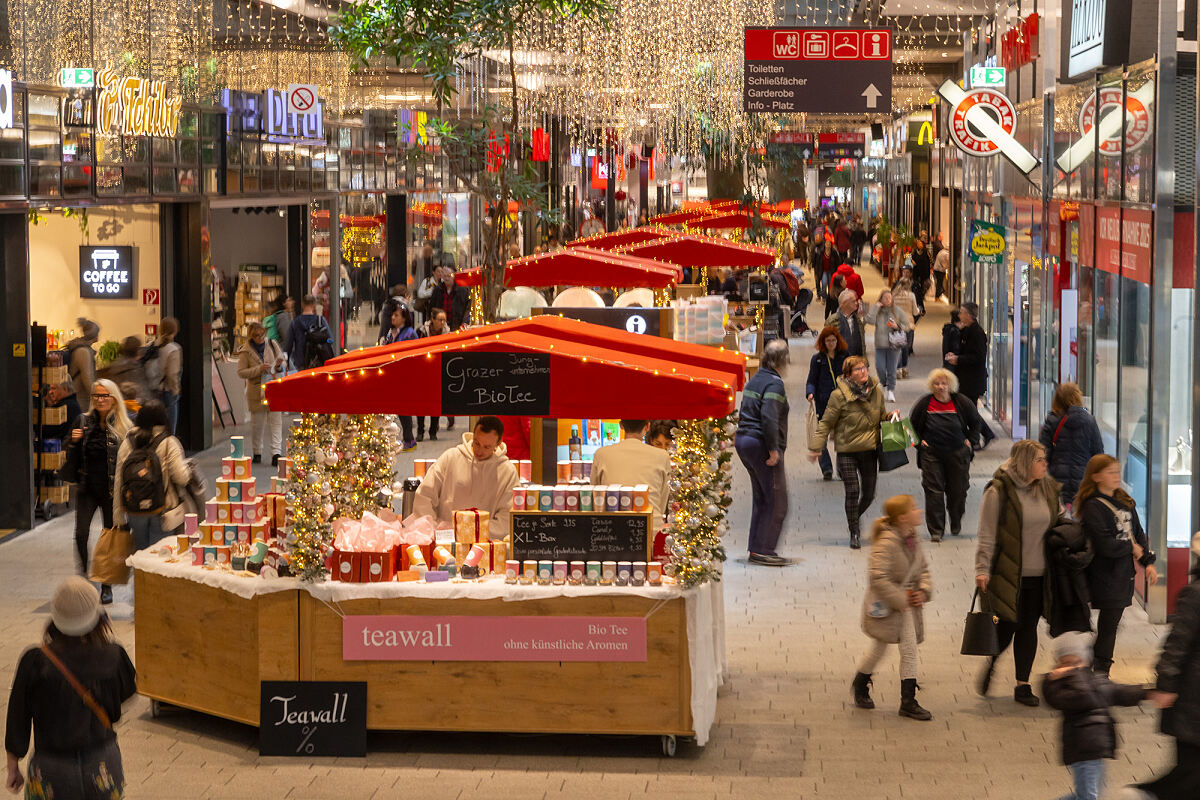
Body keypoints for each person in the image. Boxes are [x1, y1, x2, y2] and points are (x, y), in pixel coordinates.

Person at [4, 577, 137, 800]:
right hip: (102, 762)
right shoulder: (114, 655)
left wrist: (12, 766)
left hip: (51, 768)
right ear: (96, 616)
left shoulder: (35, 661)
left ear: (55, 617)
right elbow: (126, 693)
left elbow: (18, 717)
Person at [975, 439, 1064, 706]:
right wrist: (982, 568)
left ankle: (1022, 685)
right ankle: (992, 660)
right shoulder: (998, 491)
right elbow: (986, 533)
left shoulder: (1047, 487)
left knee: (1028, 627)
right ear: (1025, 462)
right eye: (1039, 460)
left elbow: (1059, 518)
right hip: (1008, 573)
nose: (1045, 464)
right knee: (1007, 627)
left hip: (1040, 575)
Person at [1120, 532, 1200, 800]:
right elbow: (1177, 644)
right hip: (1194, 699)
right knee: (1191, 773)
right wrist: (1166, 685)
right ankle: (1145, 795)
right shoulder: (1195, 594)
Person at [851, 494, 933, 720]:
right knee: (881, 648)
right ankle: (864, 685)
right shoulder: (886, 543)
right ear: (903, 517)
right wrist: (901, 599)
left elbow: (923, 569)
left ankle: (905, 700)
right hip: (890, 606)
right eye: (914, 508)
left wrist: (923, 591)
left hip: (906, 606)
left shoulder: (912, 537)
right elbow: (877, 578)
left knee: (905, 649)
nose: (919, 512)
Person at [1076, 454, 1158, 677]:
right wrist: (1130, 549)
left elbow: (1137, 535)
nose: (1116, 476)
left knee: (1111, 624)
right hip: (1104, 575)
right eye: (1110, 472)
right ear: (1096, 477)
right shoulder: (1093, 507)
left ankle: (1093, 665)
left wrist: (1147, 563)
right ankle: (1101, 673)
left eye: (1117, 472)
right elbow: (1105, 545)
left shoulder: (1125, 501)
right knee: (1109, 625)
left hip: (1124, 576)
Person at [1042, 632, 1150, 800]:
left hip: (1096, 749)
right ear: (1059, 664)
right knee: (1089, 796)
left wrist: (1146, 693)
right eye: (1067, 663)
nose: (1073, 668)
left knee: (1090, 794)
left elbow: (1119, 692)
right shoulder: (1057, 686)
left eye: (1077, 662)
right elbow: (1082, 696)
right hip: (1081, 749)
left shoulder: (1094, 680)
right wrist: (1072, 674)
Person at [61, 379, 131, 607]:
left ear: (114, 398)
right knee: (80, 534)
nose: (100, 400)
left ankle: (106, 585)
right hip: (87, 489)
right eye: (96, 396)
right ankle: (83, 574)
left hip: (111, 491)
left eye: (104, 396)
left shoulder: (124, 426)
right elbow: (67, 445)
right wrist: (73, 440)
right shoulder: (82, 421)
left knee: (109, 539)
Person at [810, 356, 889, 549]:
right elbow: (826, 423)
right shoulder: (838, 396)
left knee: (869, 494)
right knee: (853, 491)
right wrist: (816, 447)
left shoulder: (876, 392)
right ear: (848, 375)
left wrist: (890, 417)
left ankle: (853, 515)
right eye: (857, 369)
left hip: (870, 450)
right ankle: (854, 531)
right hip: (847, 451)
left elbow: (881, 416)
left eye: (864, 368)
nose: (863, 371)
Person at [412, 416, 519, 537]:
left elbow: (506, 518)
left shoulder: (507, 472)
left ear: (498, 443)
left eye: (486, 447)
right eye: (477, 443)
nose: (479, 450)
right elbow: (425, 496)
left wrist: (469, 532)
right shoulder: (451, 457)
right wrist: (432, 529)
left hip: (485, 545)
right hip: (445, 540)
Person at [734, 340, 792, 565]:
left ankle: (756, 548)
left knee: (761, 497)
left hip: (744, 441)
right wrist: (773, 448)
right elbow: (769, 416)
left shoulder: (756, 379)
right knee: (777, 500)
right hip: (760, 443)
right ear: (783, 360)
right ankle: (764, 550)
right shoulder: (774, 384)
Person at [909, 368, 980, 541]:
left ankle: (956, 518)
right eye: (937, 383)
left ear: (950, 385)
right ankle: (936, 530)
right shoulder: (924, 404)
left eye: (944, 383)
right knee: (933, 491)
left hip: (957, 453)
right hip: (931, 454)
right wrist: (919, 444)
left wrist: (971, 440)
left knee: (958, 491)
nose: (940, 387)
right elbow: (909, 428)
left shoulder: (962, 402)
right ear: (931, 386)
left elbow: (976, 423)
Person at [112, 401, 190, 550]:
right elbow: (182, 477)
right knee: (160, 555)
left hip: (134, 508)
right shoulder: (169, 443)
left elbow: (119, 480)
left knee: (140, 553)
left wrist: (118, 515)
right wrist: (188, 469)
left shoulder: (128, 442)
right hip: (162, 508)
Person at [591, 419, 672, 522]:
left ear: (621, 425)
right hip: (651, 525)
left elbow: (596, 495)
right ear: (647, 426)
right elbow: (662, 500)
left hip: (610, 526)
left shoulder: (601, 454)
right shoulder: (662, 456)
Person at [1040, 382, 1105, 506]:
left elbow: (1043, 453)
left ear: (1057, 399)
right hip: (1083, 481)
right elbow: (1098, 453)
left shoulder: (1052, 420)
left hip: (1056, 479)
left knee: (1059, 516)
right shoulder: (1089, 421)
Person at [237, 322, 287, 464]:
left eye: (262, 334)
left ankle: (276, 453)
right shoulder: (245, 351)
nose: (260, 338)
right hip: (256, 390)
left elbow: (282, 362)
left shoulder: (271, 343)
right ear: (251, 336)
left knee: (276, 422)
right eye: (256, 336)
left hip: (272, 388)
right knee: (257, 424)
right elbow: (241, 372)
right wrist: (258, 369)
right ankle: (257, 451)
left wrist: (277, 365)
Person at [946, 302, 993, 447]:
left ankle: (980, 437)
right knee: (968, 409)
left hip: (972, 380)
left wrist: (958, 359)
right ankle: (983, 435)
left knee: (969, 410)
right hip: (966, 379)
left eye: (961, 312)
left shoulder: (977, 333)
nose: (959, 315)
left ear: (969, 315)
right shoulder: (967, 330)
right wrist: (955, 355)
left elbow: (978, 357)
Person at [805, 326, 849, 480]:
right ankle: (827, 469)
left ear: (838, 341)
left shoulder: (845, 358)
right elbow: (811, 380)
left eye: (833, 340)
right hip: (823, 403)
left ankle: (843, 469)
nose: (831, 343)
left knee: (842, 437)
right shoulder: (817, 359)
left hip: (842, 403)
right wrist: (810, 393)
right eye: (828, 341)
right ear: (823, 342)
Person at [865, 289, 910, 403]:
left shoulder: (897, 311)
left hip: (894, 345)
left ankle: (891, 390)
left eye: (890, 298)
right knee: (880, 367)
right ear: (881, 299)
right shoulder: (878, 311)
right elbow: (869, 320)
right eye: (885, 298)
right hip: (880, 344)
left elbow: (907, 326)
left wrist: (897, 326)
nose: (888, 300)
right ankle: (884, 384)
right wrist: (876, 307)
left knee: (892, 368)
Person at [416, 309, 450, 441]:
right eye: (440, 320)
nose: (442, 323)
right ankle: (420, 431)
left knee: (435, 402)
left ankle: (433, 431)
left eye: (444, 320)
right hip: (423, 370)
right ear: (433, 320)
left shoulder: (447, 333)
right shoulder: (422, 332)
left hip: (438, 370)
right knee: (421, 402)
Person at [146, 318, 182, 435]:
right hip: (167, 392)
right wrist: (175, 390)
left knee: (154, 429)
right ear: (174, 331)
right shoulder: (173, 349)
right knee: (169, 430)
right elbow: (172, 374)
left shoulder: (151, 346)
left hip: (152, 391)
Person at [288, 294, 334, 370]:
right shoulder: (320, 320)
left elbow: (289, 345)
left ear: (302, 304)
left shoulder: (295, 322)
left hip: (300, 362)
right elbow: (330, 339)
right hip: (318, 362)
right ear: (314, 305)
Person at [826, 289, 868, 362]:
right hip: (839, 364)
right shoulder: (833, 321)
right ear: (845, 303)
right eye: (853, 301)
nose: (856, 303)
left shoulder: (857, 321)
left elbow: (862, 344)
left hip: (856, 362)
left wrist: (865, 363)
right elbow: (827, 345)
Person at [104, 337, 148, 403]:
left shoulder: (115, 364)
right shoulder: (133, 367)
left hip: (119, 402)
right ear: (135, 350)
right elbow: (141, 389)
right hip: (133, 404)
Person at [65, 318, 99, 402]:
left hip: (79, 395)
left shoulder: (83, 348)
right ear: (93, 336)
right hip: (79, 397)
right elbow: (87, 378)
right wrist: (97, 397)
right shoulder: (83, 351)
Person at [892, 278, 919, 379]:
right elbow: (915, 311)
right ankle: (904, 368)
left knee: (898, 347)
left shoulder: (894, 295)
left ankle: (897, 369)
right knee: (905, 348)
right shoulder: (911, 295)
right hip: (908, 324)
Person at [430, 266, 469, 331]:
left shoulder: (462, 290)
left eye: (449, 276)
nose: (447, 278)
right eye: (445, 276)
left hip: (457, 327)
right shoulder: (437, 290)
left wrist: (464, 323)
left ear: (454, 275)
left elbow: (467, 309)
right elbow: (431, 307)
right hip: (440, 328)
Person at [909, 238, 931, 315]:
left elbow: (928, 263)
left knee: (920, 292)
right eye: (918, 243)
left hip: (923, 274)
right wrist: (911, 261)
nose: (919, 245)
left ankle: (919, 306)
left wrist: (928, 274)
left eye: (920, 243)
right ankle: (920, 307)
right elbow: (908, 259)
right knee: (916, 291)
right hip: (915, 274)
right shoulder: (914, 252)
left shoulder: (925, 252)